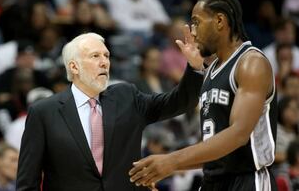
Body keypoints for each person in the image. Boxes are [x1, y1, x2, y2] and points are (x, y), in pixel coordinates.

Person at [16, 32, 204, 191]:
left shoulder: (127, 96)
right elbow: (27, 182)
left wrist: (195, 68)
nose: (104, 62)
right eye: (95, 56)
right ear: (74, 67)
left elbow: (178, 102)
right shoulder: (44, 112)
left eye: (106, 56)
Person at [129, 0, 277, 191]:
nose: (193, 31)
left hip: (247, 181)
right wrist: (166, 168)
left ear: (219, 21)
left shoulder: (251, 63)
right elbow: (213, 148)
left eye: (197, 22)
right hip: (212, 181)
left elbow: (238, 134)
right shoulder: (211, 71)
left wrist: (172, 160)